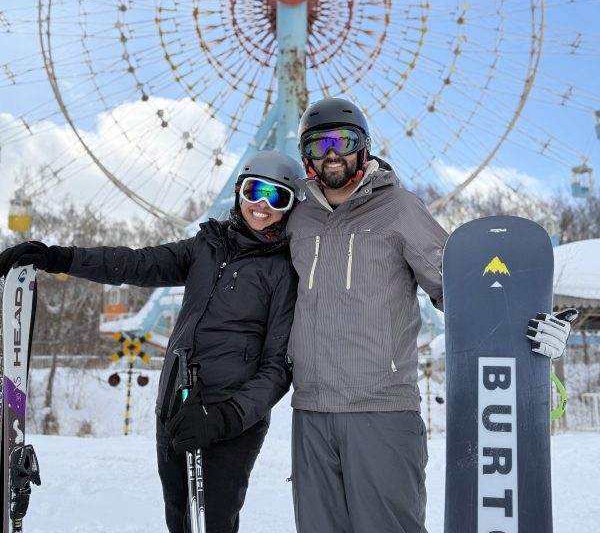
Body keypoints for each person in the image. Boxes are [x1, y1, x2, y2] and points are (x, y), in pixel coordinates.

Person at [284, 96, 575, 533]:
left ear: (363, 148)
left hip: (381, 410)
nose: (331, 154)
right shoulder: (298, 219)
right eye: (318, 144)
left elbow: (459, 289)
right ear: (305, 153)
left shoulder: (400, 209)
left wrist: (527, 335)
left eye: (342, 141)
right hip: (310, 412)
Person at [0, 150, 305, 533]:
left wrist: (225, 417)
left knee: (213, 524)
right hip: (175, 409)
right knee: (178, 520)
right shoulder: (204, 248)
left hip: (229, 426)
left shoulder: (285, 270)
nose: (261, 205)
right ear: (239, 192)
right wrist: (60, 258)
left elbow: (278, 366)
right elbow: (135, 263)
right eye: (254, 190)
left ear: (291, 206)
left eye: (276, 197)